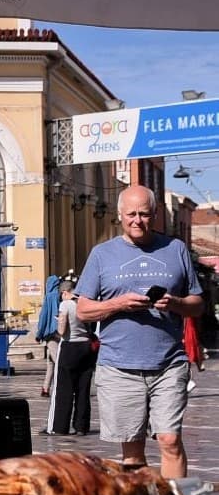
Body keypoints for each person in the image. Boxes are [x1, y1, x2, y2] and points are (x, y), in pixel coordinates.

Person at [75, 185, 203, 478]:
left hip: (169, 364)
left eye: (144, 214)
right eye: (131, 214)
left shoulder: (175, 249)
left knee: (169, 440)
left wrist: (176, 303)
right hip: (119, 366)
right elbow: (83, 311)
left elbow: (197, 305)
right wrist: (119, 304)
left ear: (155, 215)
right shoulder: (102, 254)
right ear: (120, 214)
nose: (137, 220)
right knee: (132, 451)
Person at [44, 280, 95, 436]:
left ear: (65, 292)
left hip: (69, 346)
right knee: (83, 388)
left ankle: (59, 427)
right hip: (86, 347)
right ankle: (81, 426)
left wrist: (58, 322)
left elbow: (62, 329)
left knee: (63, 388)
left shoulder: (65, 305)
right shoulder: (85, 303)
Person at [34, 274, 61, 398]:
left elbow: (43, 317)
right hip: (61, 332)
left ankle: (62, 387)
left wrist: (39, 334)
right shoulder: (61, 296)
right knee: (51, 362)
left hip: (51, 334)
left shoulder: (49, 297)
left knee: (58, 361)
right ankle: (45, 388)